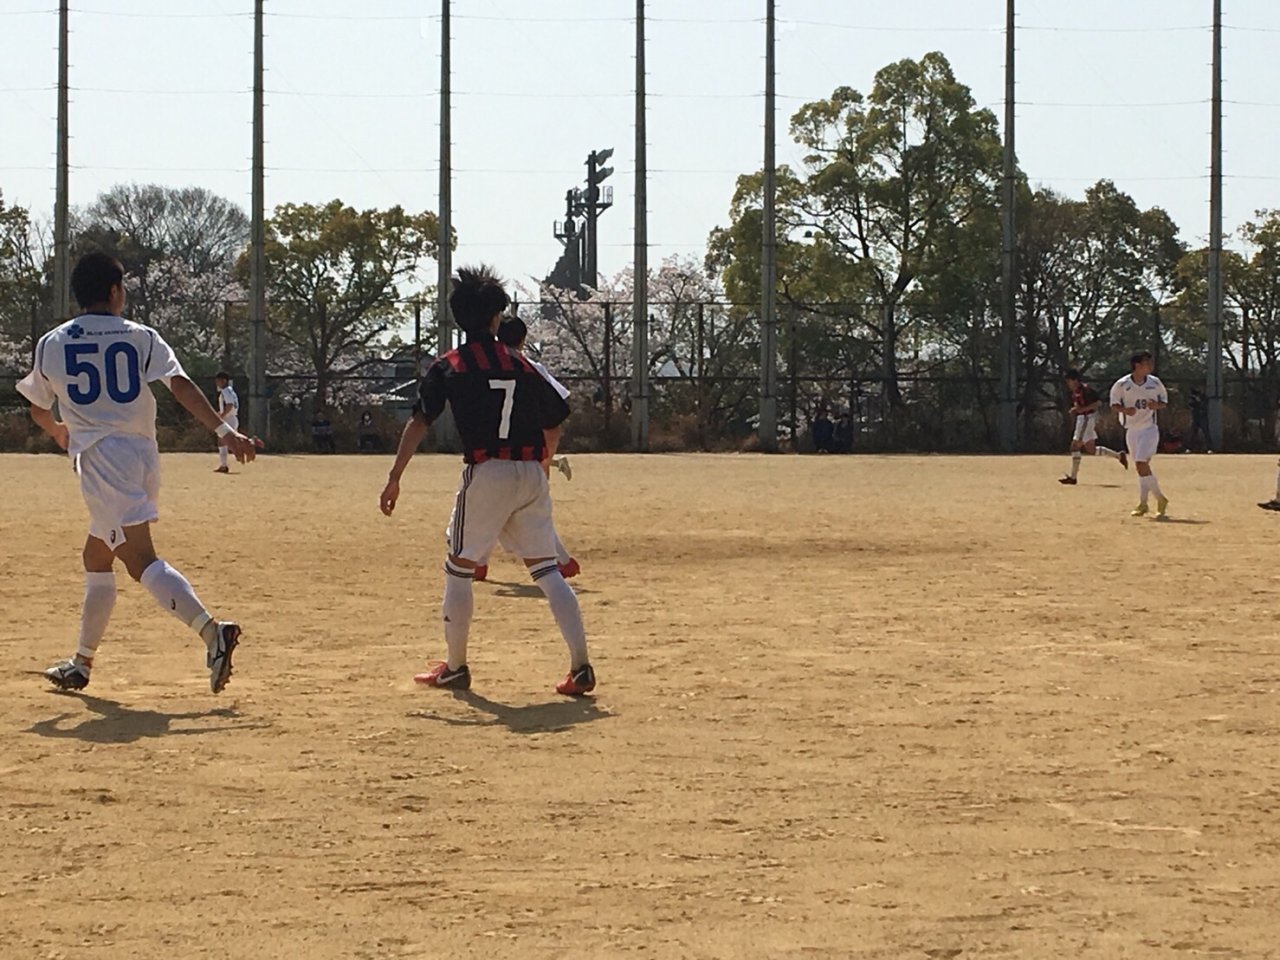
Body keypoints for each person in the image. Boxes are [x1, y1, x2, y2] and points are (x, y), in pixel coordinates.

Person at [16, 252, 256, 694]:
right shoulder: (141, 336)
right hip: (143, 455)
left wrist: (57, 429)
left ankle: (212, 632)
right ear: (114, 291)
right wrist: (224, 431)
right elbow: (180, 385)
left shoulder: (53, 342)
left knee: (139, 558)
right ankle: (81, 662)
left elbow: (37, 406)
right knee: (96, 556)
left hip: (101, 461)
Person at [379, 265, 595, 696]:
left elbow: (420, 421)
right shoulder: (522, 363)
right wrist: (541, 463)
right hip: (530, 471)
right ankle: (581, 667)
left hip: (487, 471)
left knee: (459, 568)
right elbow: (555, 417)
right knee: (547, 571)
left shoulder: (451, 365)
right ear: (497, 318)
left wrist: (394, 477)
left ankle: (456, 667)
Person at [468, 317, 579, 583]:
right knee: (522, 511)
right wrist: (547, 459)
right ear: (524, 339)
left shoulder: (483, 367)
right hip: (527, 452)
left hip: (492, 452)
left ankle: (478, 561)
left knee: (491, 507)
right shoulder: (532, 368)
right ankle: (560, 561)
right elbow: (556, 414)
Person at [1110, 351, 1170, 518]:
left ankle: (1161, 499)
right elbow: (1114, 405)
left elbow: (1164, 402)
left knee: (1141, 463)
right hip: (1131, 430)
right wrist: (1124, 410)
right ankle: (1143, 503)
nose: (1150, 366)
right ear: (1137, 365)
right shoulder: (1122, 384)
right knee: (1141, 468)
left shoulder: (1155, 382)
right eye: (1146, 363)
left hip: (1149, 429)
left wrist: (1156, 405)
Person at [1058, 368, 1127, 484]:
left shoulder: (1085, 390)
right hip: (1083, 418)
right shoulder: (1076, 391)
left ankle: (1073, 477)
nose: (1068, 384)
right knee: (1091, 449)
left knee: (1075, 446)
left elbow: (1097, 403)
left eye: (1069, 381)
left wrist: (1082, 409)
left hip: (1086, 418)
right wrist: (1076, 409)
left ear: (1075, 380)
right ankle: (1119, 456)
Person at [213, 371, 238, 473]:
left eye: (218, 381)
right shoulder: (230, 391)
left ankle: (224, 465)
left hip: (229, 419)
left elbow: (229, 405)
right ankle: (223, 465)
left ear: (224, 381)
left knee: (224, 441)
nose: (217, 383)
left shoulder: (226, 391)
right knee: (224, 441)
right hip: (232, 418)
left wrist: (222, 417)